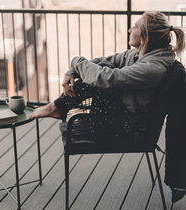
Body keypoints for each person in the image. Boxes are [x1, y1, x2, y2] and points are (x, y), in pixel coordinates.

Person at [29, 11, 185, 138]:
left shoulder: (152, 68)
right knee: (102, 67)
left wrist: (76, 61)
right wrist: (72, 70)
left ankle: (55, 107)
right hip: (121, 116)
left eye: (135, 27)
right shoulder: (137, 55)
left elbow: (106, 78)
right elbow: (102, 62)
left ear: (145, 37)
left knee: (99, 79)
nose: (130, 30)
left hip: (129, 126)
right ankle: (57, 107)